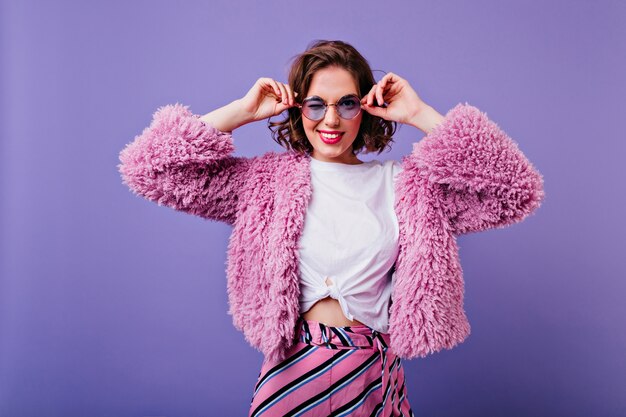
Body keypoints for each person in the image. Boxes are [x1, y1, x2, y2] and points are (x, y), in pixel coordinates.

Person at [118, 40, 544, 416]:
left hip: (371, 374)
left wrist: (419, 113)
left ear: (366, 108)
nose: (332, 120)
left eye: (347, 103)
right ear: (299, 107)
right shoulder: (266, 183)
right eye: (317, 104)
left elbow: (515, 190)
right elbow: (149, 169)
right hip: (291, 370)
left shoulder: (405, 186)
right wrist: (241, 112)